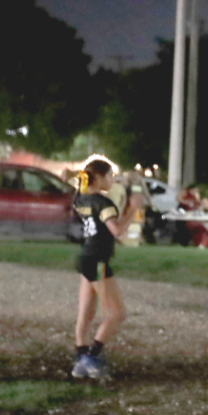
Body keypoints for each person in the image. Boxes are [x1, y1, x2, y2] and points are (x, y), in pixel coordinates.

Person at [71, 159, 143, 380]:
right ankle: (92, 356)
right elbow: (117, 231)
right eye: (110, 176)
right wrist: (133, 208)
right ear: (100, 177)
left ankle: (80, 358)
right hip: (98, 261)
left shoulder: (80, 198)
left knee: (86, 314)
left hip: (85, 257)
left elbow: (100, 218)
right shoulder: (103, 203)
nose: (112, 180)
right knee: (118, 313)